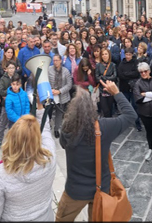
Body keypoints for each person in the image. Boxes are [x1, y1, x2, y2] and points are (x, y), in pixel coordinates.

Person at [56, 81, 138, 221]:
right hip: (100, 188)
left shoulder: (67, 129)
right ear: (92, 107)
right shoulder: (105, 127)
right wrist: (116, 93)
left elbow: (63, 145)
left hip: (75, 190)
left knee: (61, 219)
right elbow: (131, 115)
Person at [0, 112, 56, 221]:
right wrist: (41, 107)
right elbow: (45, 130)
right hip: (45, 217)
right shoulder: (50, 158)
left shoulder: (2, 173)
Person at [134, 62, 152, 161]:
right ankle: (150, 149)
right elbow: (138, 99)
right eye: (141, 72)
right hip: (145, 113)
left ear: (149, 71)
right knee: (149, 132)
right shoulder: (137, 83)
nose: (143, 73)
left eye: (145, 71)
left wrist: (145, 94)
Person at [0, 61, 17, 152]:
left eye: (13, 68)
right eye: (10, 68)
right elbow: (1, 90)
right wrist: (12, 94)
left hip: (15, 105)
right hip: (6, 105)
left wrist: (9, 95)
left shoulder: (17, 78)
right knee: (3, 124)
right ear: (6, 69)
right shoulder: (3, 78)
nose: (11, 69)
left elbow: (19, 89)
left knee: (13, 125)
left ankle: (12, 143)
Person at [47, 54, 72, 138]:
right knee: (48, 111)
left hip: (61, 95)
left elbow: (69, 84)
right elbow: (45, 81)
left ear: (61, 61)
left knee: (59, 113)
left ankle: (56, 129)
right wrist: (51, 90)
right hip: (50, 94)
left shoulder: (66, 71)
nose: (55, 62)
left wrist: (59, 91)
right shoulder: (49, 69)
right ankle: (48, 125)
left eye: (57, 60)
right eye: (54, 60)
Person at [117, 47, 141, 130]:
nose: (128, 56)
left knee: (135, 106)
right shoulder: (121, 63)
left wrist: (126, 74)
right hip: (124, 88)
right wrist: (129, 74)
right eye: (126, 54)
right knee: (125, 106)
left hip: (134, 88)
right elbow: (120, 75)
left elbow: (136, 73)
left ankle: (137, 122)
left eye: (129, 55)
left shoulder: (136, 62)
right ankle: (126, 122)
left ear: (132, 54)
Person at [95, 48, 117, 118]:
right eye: (103, 54)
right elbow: (97, 76)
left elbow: (114, 76)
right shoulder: (98, 65)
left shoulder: (113, 65)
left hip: (110, 89)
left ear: (109, 55)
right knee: (105, 110)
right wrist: (103, 82)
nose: (104, 56)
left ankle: (110, 123)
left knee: (110, 109)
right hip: (102, 90)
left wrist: (104, 78)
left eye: (106, 54)